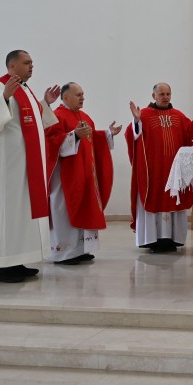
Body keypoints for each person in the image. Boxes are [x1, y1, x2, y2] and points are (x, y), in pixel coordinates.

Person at [0, 50, 61, 283]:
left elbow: (32, 121)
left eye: (32, 62)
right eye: (27, 62)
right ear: (12, 66)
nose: (32, 66)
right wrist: (4, 97)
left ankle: (17, 261)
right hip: (6, 169)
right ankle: (1, 267)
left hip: (24, 167)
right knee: (7, 214)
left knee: (21, 216)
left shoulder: (25, 90)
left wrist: (45, 103)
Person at [45, 82, 121, 265]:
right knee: (64, 211)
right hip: (65, 176)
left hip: (85, 174)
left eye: (83, 94)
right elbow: (51, 142)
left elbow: (92, 138)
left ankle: (80, 250)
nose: (82, 98)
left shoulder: (85, 117)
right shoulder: (56, 116)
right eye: (78, 95)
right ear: (65, 97)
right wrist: (74, 136)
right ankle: (64, 253)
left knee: (84, 208)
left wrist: (107, 134)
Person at [126, 82, 193, 253]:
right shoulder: (144, 114)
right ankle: (152, 239)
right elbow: (131, 135)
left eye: (168, 94)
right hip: (153, 171)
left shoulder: (179, 116)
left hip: (174, 170)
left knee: (173, 198)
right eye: (162, 94)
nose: (165, 97)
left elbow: (192, 134)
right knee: (153, 197)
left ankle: (173, 239)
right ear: (154, 96)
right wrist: (136, 121)